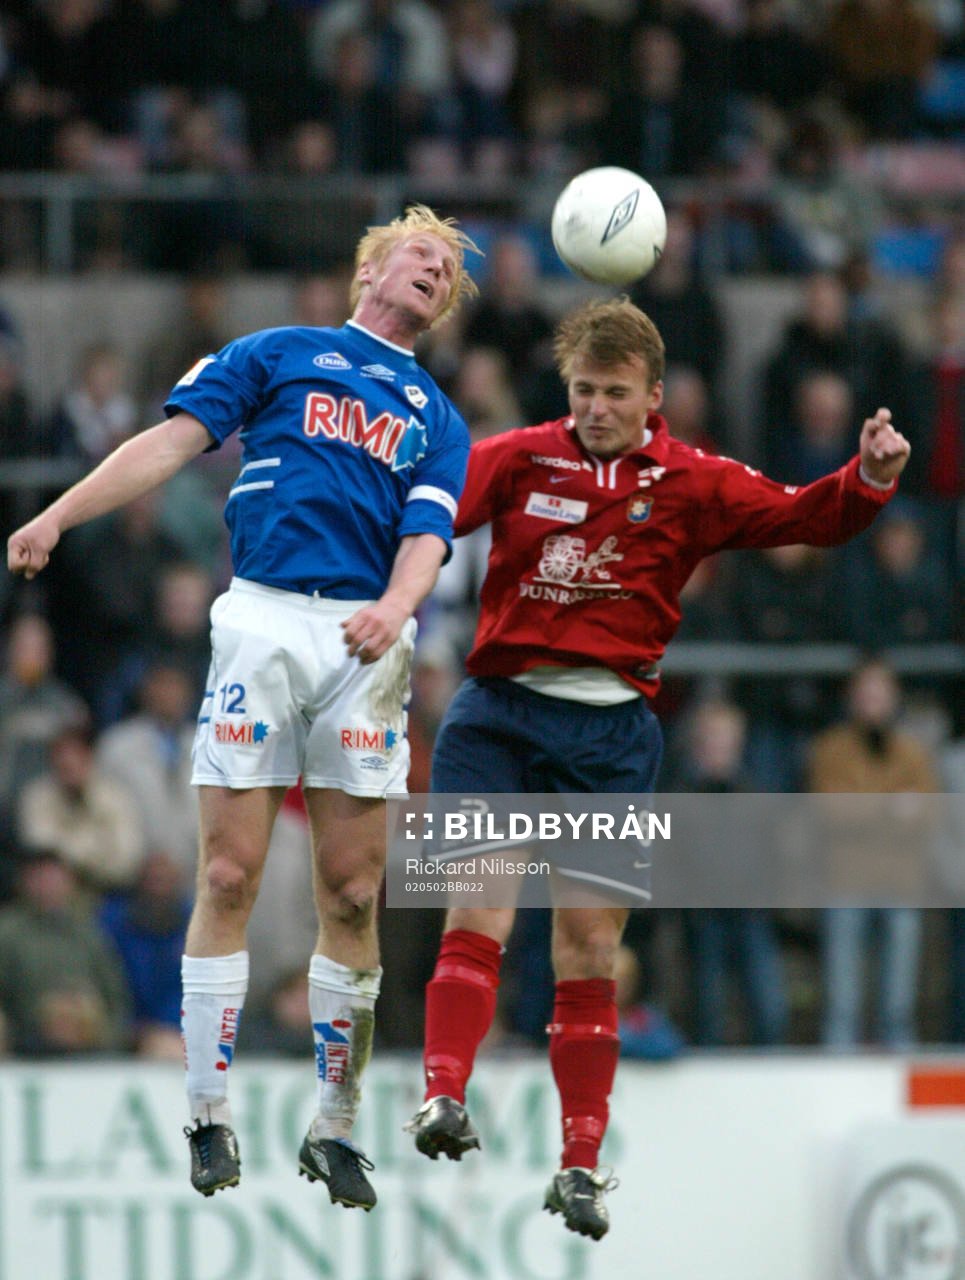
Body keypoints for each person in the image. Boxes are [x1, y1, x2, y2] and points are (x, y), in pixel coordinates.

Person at [404, 296, 910, 1242]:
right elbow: (424, 512)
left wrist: (867, 478)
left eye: (614, 393)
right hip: (496, 717)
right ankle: (441, 1095)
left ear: (653, 396)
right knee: (477, 911)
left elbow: (802, 517)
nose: (595, 407)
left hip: (608, 735)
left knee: (589, 951)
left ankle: (581, 1164)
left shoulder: (692, 479)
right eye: (583, 390)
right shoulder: (517, 458)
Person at [7, 204, 480, 1209]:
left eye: (448, 269)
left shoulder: (439, 419)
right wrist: (53, 512)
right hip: (264, 618)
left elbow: (428, 539)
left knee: (353, 894)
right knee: (227, 868)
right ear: (372, 267)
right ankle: (208, 1111)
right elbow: (167, 444)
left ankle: (334, 1123)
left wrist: (395, 609)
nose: (436, 270)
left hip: (365, 635)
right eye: (422, 253)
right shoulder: (279, 353)